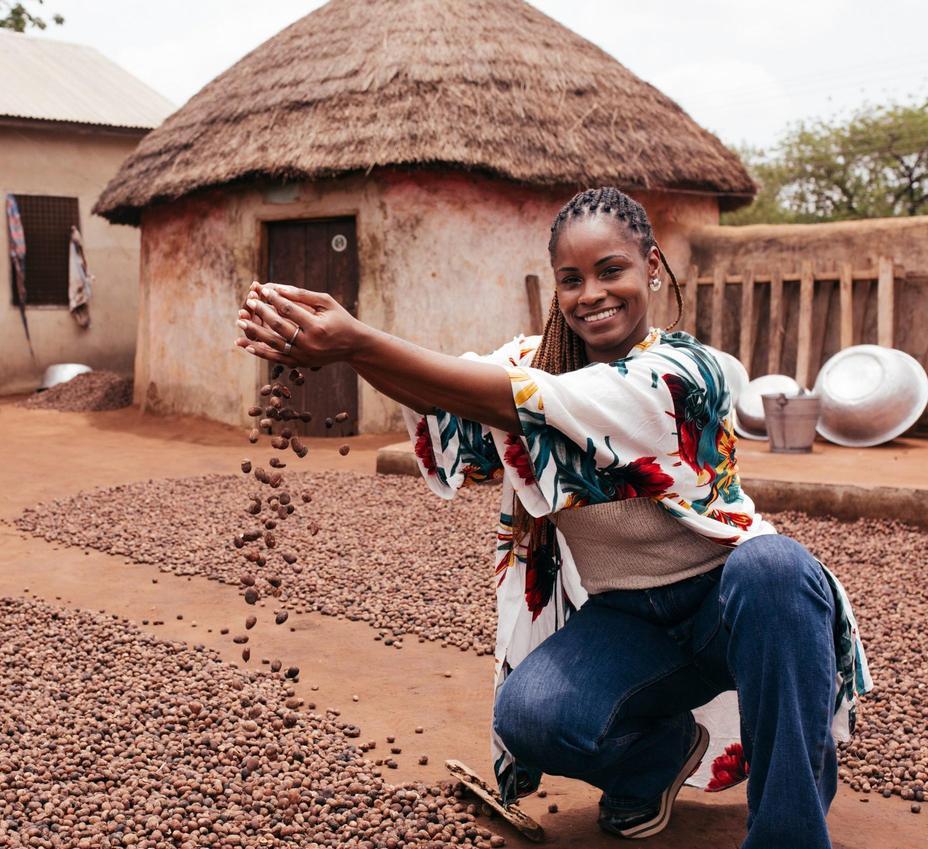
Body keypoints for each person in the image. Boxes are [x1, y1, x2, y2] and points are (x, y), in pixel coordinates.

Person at [233, 187, 870, 848]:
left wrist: (356, 341)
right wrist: (342, 348)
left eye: (611, 271)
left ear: (651, 266)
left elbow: (529, 403)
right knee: (531, 714)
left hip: (735, 607)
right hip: (631, 618)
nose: (591, 293)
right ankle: (659, 758)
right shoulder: (539, 364)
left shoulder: (688, 374)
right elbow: (454, 389)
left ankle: (789, 834)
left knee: (778, 567)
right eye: (572, 279)